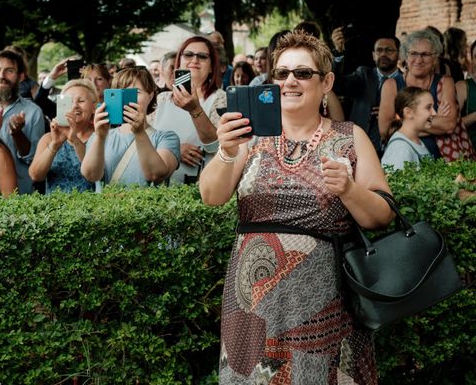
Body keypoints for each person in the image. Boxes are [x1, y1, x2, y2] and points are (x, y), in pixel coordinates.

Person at [199, 30, 392, 384]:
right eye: (282, 73)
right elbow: (211, 196)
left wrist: (349, 190)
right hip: (253, 304)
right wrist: (225, 151)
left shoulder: (349, 137)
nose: (290, 81)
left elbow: (381, 215)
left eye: (303, 73)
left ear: (326, 82)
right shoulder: (248, 133)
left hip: (328, 304)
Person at [81, 67, 179, 186]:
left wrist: (139, 132)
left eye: (135, 93)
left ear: (151, 95)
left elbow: (155, 175)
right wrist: (100, 137)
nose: (127, 100)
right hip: (109, 204)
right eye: (121, 93)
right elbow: (91, 175)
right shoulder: (99, 136)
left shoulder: (166, 138)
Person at [150, 35, 226, 184]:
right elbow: (143, 141)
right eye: (188, 54)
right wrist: (174, 150)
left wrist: (195, 109)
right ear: (179, 61)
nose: (194, 60)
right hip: (158, 190)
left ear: (212, 67)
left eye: (202, 56)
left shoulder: (220, 99)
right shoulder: (161, 99)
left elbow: (218, 146)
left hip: (199, 190)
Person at [379, 29, 464, 160]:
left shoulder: (445, 82)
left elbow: (448, 125)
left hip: (442, 160)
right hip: (404, 158)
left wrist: (403, 124)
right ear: (406, 57)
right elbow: (386, 129)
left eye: (425, 54)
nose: (419, 59)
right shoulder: (391, 85)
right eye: (413, 53)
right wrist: (434, 121)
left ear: (435, 59)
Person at [0, 49, 45, 194]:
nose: (1, 76)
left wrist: (17, 134)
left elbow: (34, 161)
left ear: (21, 76)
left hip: (19, 196)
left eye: (9, 71)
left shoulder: (33, 112)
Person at [333, 36, 404, 155]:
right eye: (379, 50)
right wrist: (338, 54)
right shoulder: (363, 75)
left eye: (389, 50)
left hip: (393, 147)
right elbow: (337, 85)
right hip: (359, 146)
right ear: (373, 55)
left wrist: (390, 113)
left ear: (399, 54)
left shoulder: (405, 81)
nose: (383, 54)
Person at [29, 79, 97, 193]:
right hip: (55, 208)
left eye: (81, 101)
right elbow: (35, 176)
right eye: (68, 101)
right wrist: (54, 145)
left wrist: (74, 140)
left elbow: (95, 174)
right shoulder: (48, 138)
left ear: (94, 107)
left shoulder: (100, 137)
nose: (75, 106)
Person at [381, 87, 435, 170]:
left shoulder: (416, 141)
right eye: (428, 107)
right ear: (408, 112)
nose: (435, 113)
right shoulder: (400, 148)